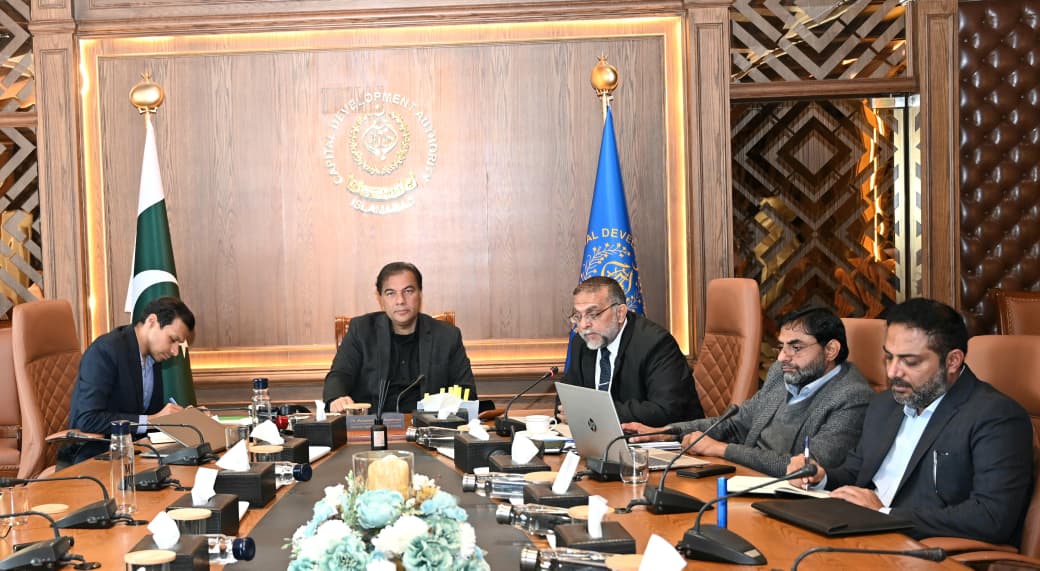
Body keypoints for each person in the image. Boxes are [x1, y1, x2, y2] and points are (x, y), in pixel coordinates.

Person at [789, 298, 1033, 544]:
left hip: (920, 546)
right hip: (856, 531)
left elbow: (991, 517)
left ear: (952, 361)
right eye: (889, 357)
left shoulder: (996, 417)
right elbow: (856, 472)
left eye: (910, 361)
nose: (893, 372)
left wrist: (884, 515)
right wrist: (820, 477)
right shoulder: (885, 404)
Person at [624, 306, 874, 476]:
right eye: (781, 347)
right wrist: (667, 432)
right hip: (746, 478)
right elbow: (736, 424)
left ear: (830, 350)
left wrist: (721, 449)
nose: (783, 357)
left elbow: (808, 467)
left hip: (793, 497)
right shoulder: (782, 374)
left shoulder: (851, 396)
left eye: (796, 348)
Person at [323, 262, 476, 414]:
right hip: (373, 424)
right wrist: (337, 398)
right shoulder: (361, 330)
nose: (400, 300)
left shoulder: (447, 336)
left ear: (420, 294)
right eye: (391, 293)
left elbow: (466, 391)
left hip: (427, 425)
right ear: (380, 298)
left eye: (408, 291)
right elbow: (340, 374)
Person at [63, 296, 195, 465]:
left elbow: (146, 411)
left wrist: (184, 417)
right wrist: (152, 421)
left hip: (135, 452)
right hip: (97, 456)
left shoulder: (154, 356)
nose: (175, 351)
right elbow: (88, 419)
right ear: (152, 321)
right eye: (172, 340)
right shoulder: (106, 351)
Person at [557, 276, 702, 426]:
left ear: (620, 313)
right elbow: (566, 398)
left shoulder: (656, 344)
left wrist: (597, 412)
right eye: (578, 316)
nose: (583, 325)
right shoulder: (582, 342)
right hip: (602, 436)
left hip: (670, 438)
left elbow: (666, 410)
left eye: (593, 314)